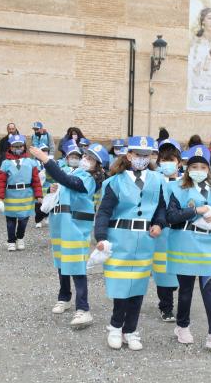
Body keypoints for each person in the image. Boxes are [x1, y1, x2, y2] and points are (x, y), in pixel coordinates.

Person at [94, 136, 167, 351]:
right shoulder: (114, 181)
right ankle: (116, 327)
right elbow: (104, 212)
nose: (142, 159)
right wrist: (100, 237)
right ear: (129, 155)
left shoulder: (158, 180)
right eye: (137, 154)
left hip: (145, 240)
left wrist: (160, 223)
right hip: (119, 239)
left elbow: (162, 207)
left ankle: (131, 330)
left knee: (138, 288)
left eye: (146, 155)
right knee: (120, 288)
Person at [30, 142, 108, 329]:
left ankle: (83, 308)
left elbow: (68, 182)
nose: (85, 160)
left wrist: (46, 160)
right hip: (61, 225)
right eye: (85, 156)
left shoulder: (89, 179)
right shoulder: (75, 173)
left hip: (75, 227)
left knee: (77, 266)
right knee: (62, 262)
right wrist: (54, 190)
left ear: (98, 166)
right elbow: (64, 184)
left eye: (91, 159)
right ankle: (64, 297)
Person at [165, 144, 211, 353]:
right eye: (193, 166)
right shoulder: (175, 188)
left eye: (202, 167)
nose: (198, 171)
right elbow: (171, 216)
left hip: (210, 244)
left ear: (209, 169)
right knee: (185, 289)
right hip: (184, 242)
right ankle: (182, 326)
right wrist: (195, 210)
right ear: (187, 168)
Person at [0, 135, 43, 251]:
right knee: (10, 220)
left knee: (23, 220)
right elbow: (0, 181)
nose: (18, 148)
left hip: (26, 195)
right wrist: (0, 199)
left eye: (20, 146)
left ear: (24, 147)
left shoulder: (31, 162)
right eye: (15, 146)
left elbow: (36, 180)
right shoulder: (5, 163)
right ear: (10, 147)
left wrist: (39, 195)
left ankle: (20, 237)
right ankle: (11, 241)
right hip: (10, 195)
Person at [153, 138, 182, 322]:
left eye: (171, 159)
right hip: (162, 232)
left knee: (179, 271)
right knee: (163, 270)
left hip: (181, 233)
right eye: (164, 159)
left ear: (179, 162)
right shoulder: (155, 180)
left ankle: (174, 299)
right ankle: (166, 307)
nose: (167, 163)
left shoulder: (185, 182)